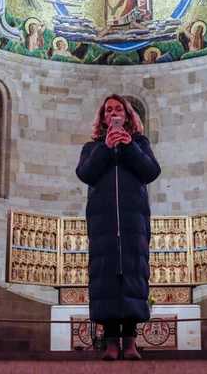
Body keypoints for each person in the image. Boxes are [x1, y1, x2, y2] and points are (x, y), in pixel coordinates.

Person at [76, 94, 161, 360]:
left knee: (133, 275)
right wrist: (105, 147)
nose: (113, 113)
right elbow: (84, 174)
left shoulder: (139, 143)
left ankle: (131, 342)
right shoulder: (92, 147)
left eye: (119, 109)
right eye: (108, 110)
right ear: (103, 118)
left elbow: (151, 172)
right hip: (103, 223)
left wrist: (128, 146)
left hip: (132, 223)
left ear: (127, 115)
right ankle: (111, 342)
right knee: (106, 277)